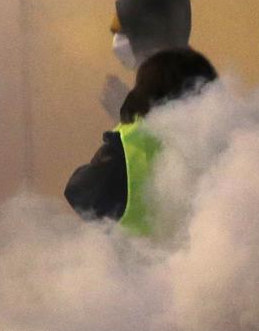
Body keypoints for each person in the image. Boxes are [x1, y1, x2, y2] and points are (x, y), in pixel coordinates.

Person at [67, 47, 218, 233]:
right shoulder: (220, 144)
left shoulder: (130, 144)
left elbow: (80, 192)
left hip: (135, 260)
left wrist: (125, 125)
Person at [101, 0, 194, 119]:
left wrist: (126, 111)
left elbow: (166, 136)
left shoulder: (187, 84)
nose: (116, 41)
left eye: (122, 32)